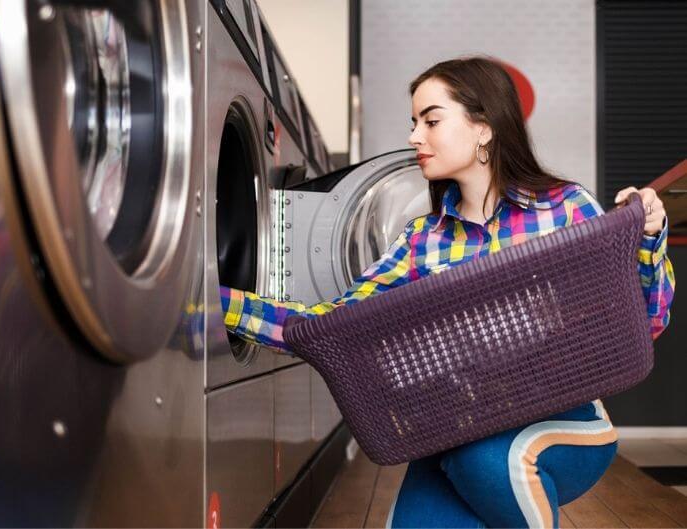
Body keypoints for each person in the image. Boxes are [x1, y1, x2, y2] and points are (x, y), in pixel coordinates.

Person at [219, 56, 675, 528]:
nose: (415, 136)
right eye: (414, 123)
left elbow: (647, 318)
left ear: (484, 128)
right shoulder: (423, 240)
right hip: (456, 427)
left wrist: (647, 238)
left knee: (485, 460)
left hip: (565, 423)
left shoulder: (565, 207)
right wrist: (219, 304)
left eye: (431, 120)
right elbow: (333, 324)